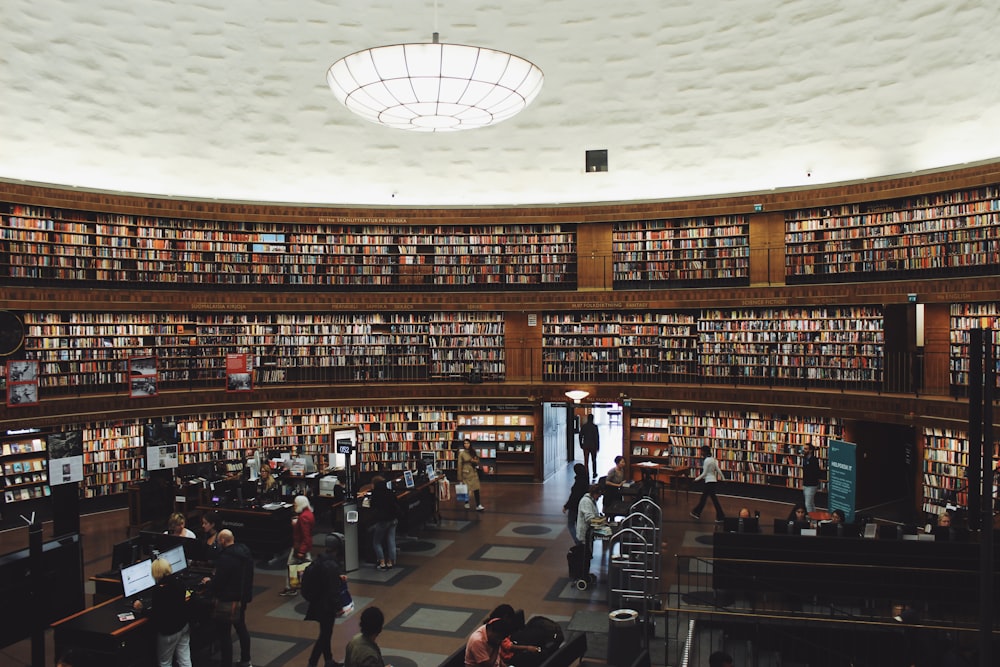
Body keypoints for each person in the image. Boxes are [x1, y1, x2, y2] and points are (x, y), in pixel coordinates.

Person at [202, 529, 254, 667]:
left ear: (223, 541)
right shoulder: (246, 554)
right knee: (241, 629)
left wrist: (208, 583)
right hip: (241, 599)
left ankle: (226, 663)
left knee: (224, 635)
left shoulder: (225, 558)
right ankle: (246, 660)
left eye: (219, 541)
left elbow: (219, 582)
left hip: (226, 601)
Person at [134, 557, 191, 667]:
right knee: (184, 659)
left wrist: (142, 610)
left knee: (165, 662)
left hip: (169, 631)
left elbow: (157, 614)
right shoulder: (179, 582)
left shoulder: (159, 591)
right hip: (183, 625)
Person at [305, 534, 348, 667]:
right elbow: (333, 590)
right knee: (324, 635)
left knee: (325, 633)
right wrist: (339, 607)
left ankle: (328, 661)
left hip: (318, 603)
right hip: (326, 606)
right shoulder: (332, 566)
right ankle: (312, 663)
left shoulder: (320, 560)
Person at [281, 494, 315, 595]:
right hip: (304, 546)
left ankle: (291, 587)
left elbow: (305, 535)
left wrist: (301, 551)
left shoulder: (303, 517)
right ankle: (293, 587)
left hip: (299, 546)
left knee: (291, 565)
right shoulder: (309, 514)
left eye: (295, 504)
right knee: (306, 566)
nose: (294, 506)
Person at [370, 474, 400, 570]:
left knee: (376, 542)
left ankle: (382, 561)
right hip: (393, 519)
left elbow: (373, 506)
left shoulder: (375, 494)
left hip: (383, 520)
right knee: (391, 540)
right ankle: (391, 561)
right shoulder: (390, 492)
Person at [690, 445, 726, 522]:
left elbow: (704, 473)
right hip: (713, 481)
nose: (701, 453)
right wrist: (723, 478)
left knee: (705, 499)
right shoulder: (713, 460)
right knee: (707, 498)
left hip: (708, 482)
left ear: (705, 452)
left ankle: (698, 513)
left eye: (702, 451)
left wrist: (696, 479)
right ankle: (697, 512)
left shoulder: (706, 461)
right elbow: (718, 470)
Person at [562, 463, 590, 545]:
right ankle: (582, 539)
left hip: (574, 506)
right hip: (581, 506)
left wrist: (566, 506)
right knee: (579, 524)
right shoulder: (585, 479)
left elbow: (573, 496)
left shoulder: (578, 482)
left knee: (571, 524)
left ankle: (578, 541)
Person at [458, 438, 485, 511]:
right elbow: (459, 464)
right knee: (466, 489)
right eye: (465, 443)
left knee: (476, 488)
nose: (466, 445)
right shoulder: (462, 453)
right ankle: (466, 502)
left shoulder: (473, 452)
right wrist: (459, 476)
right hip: (466, 472)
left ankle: (478, 504)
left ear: (470, 444)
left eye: (468, 443)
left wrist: (475, 461)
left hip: (473, 472)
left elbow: (477, 461)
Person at [801, 443, 823, 513]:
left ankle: (810, 520)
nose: (804, 450)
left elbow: (816, 472)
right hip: (806, 484)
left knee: (807, 504)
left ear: (810, 450)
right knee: (811, 503)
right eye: (804, 448)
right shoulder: (804, 458)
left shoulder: (814, 460)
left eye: (806, 449)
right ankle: (814, 518)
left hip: (811, 485)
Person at [579, 414, 600, 479]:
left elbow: (580, 436)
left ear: (587, 418)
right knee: (594, 460)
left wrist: (581, 444)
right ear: (593, 419)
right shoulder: (595, 427)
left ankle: (586, 473)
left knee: (586, 461)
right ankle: (594, 473)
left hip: (586, 445)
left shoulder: (584, 426)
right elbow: (597, 437)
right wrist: (598, 446)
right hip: (593, 446)